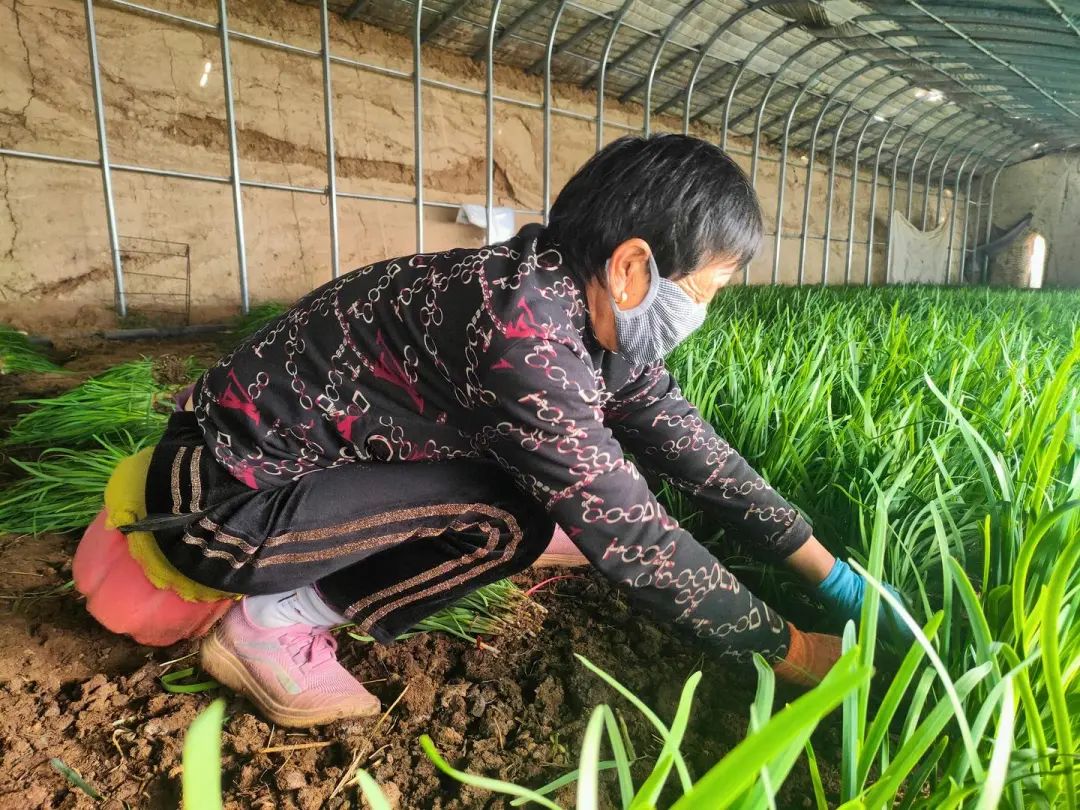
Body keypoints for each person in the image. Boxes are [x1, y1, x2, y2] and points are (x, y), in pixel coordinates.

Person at [123, 135, 899, 728]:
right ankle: (272, 622)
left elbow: (689, 444)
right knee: (520, 515)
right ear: (633, 267)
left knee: (569, 496)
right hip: (218, 509)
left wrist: (829, 574)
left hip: (272, 467)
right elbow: (637, 539)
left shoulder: (568, 294)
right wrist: (794, 651)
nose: (704, 311)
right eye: (708, 290)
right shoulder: (522, 336)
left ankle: (291, 598)